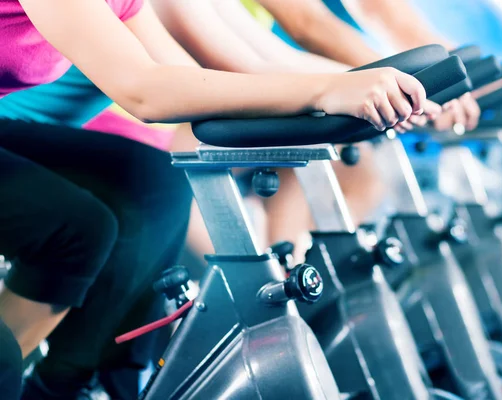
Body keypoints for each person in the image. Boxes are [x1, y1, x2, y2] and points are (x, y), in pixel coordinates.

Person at [0, 0, 431, 398]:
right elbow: (145, 89)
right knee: (89, 224)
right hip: (36, 128)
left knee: (150, 186)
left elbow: (201, 72)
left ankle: (66, 383)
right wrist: (327, 91)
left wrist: (365, 88)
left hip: (25, 136)